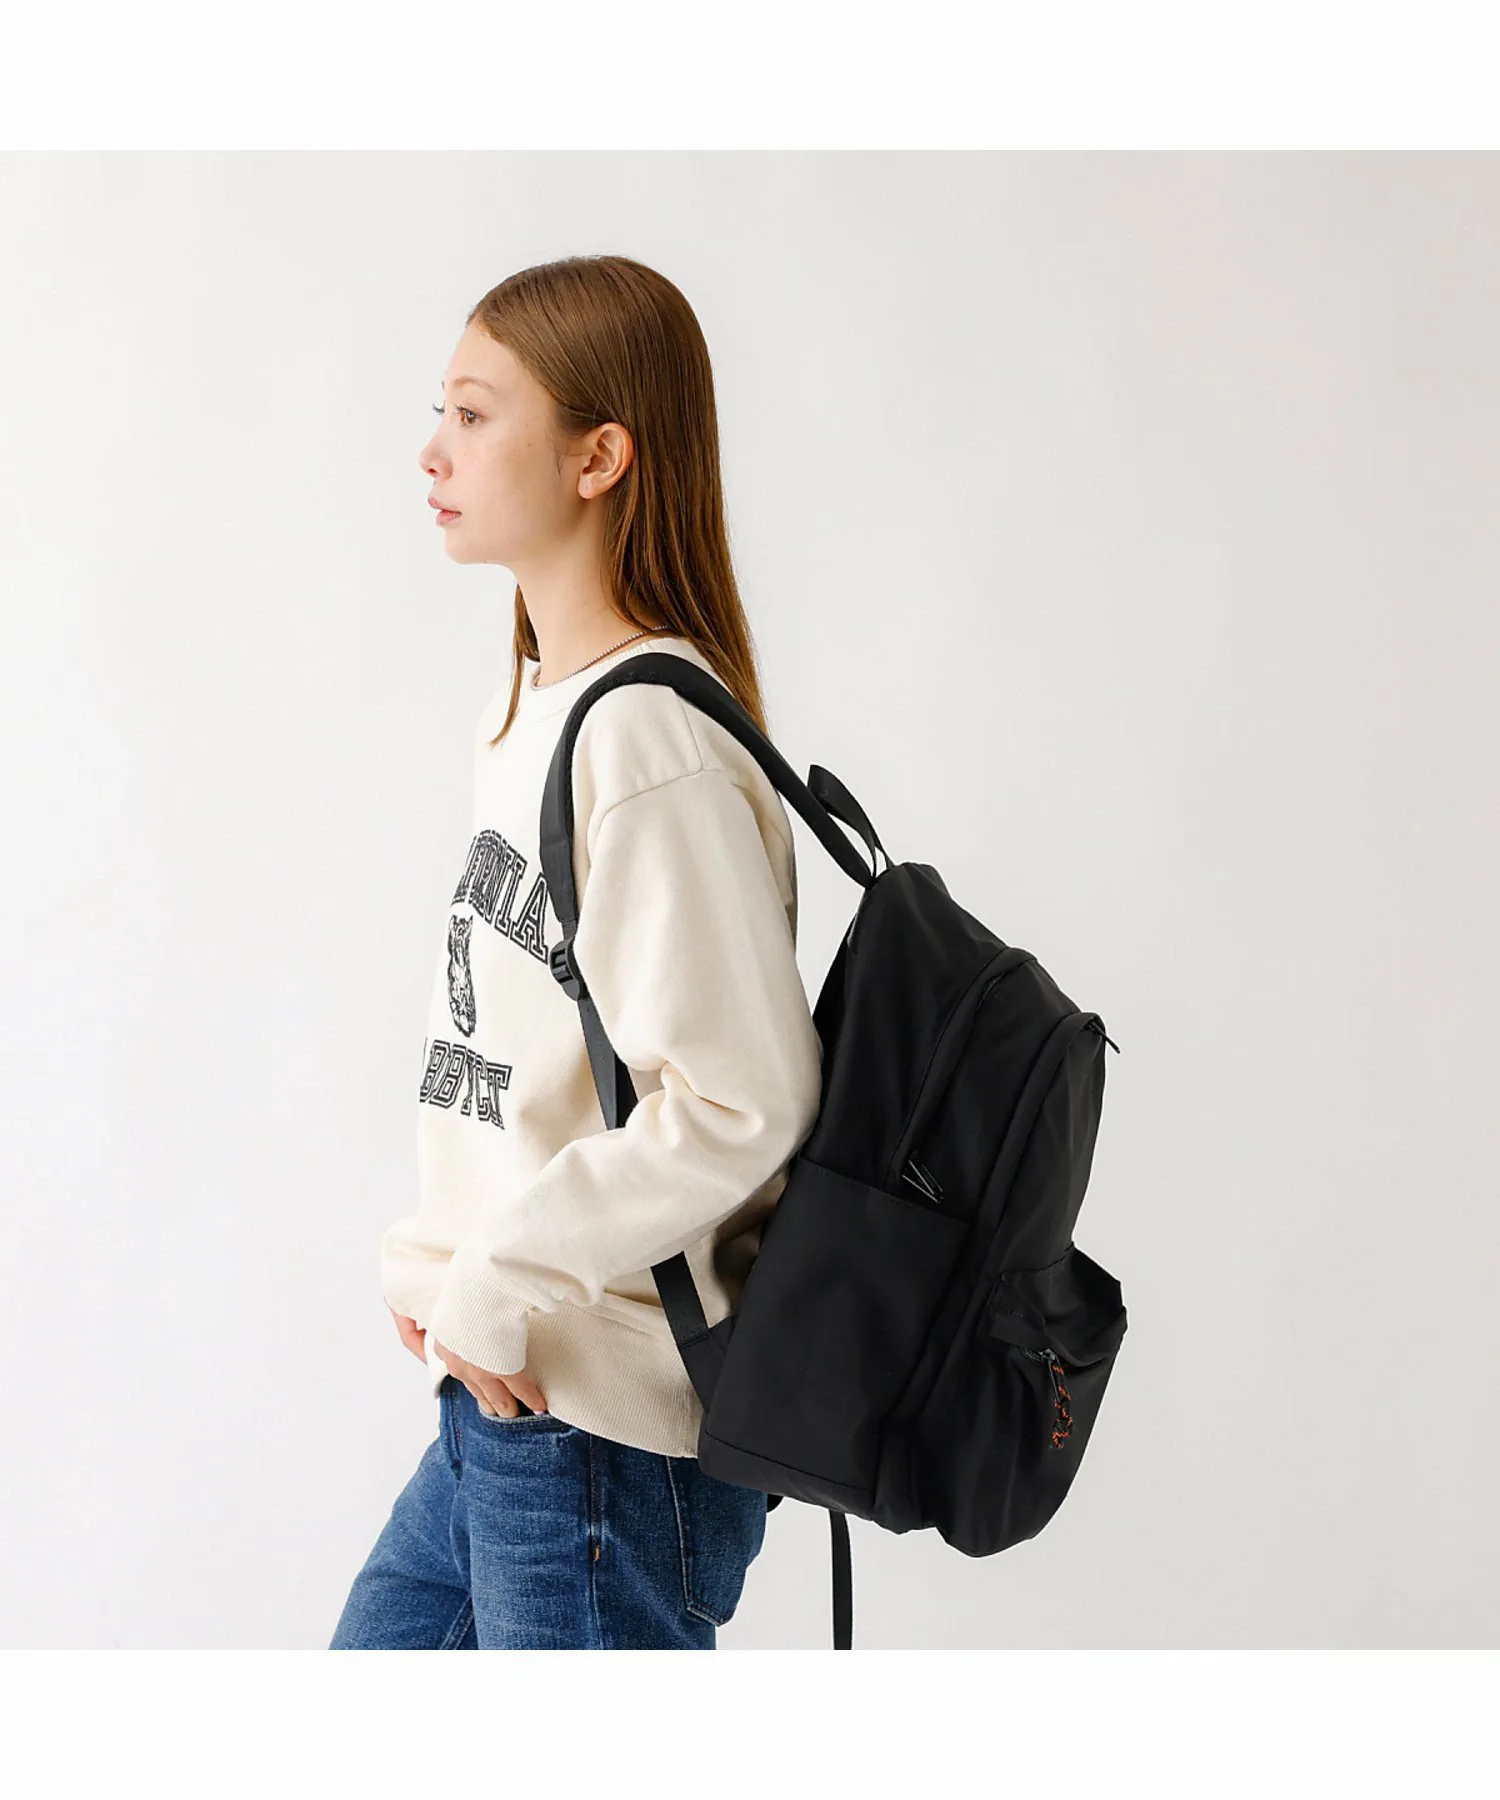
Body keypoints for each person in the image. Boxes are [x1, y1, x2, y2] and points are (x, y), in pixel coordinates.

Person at [329, 256, 823, 1650]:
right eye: (441, 410)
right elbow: (529, 1062)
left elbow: (740, 1103)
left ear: (598, 457)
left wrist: (497, 1282)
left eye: (476, 413)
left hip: (598, 1438)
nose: (433, 450)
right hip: (513, 1399)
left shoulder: (645, 739)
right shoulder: (544, 709)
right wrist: (444, 1268)